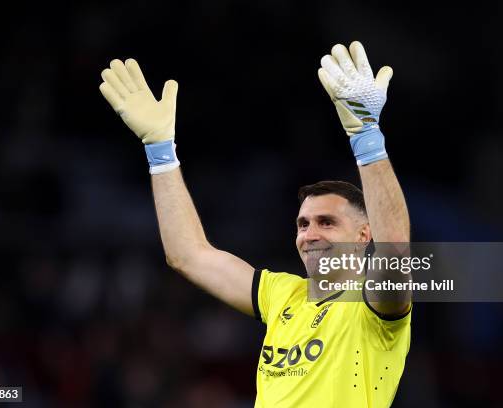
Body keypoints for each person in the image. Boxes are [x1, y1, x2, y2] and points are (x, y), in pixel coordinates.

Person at [99, 40, 411, 407]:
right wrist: (160, 150)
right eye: (302, 224)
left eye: (326, 222)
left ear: (363, 235)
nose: (309, 234)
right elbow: (188, 254)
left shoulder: (374, 305)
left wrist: (366, 137)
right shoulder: (282, 295)